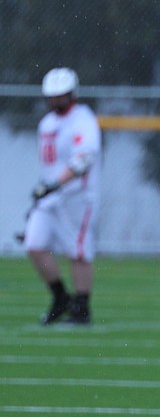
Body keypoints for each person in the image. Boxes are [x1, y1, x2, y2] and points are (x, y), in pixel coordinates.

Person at [23, 67, 102, 325]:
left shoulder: (82, 119)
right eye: (53, 96)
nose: (57, 101)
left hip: (76, 195)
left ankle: (82, 307)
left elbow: (84, 159)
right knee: (34, 244)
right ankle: (60, 297)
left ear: (72, 94)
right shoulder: (47, 123)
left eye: (62, 95)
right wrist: (45, 190)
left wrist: (55, 185)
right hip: (50, 195)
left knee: (77, 251)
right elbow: (50, 165)